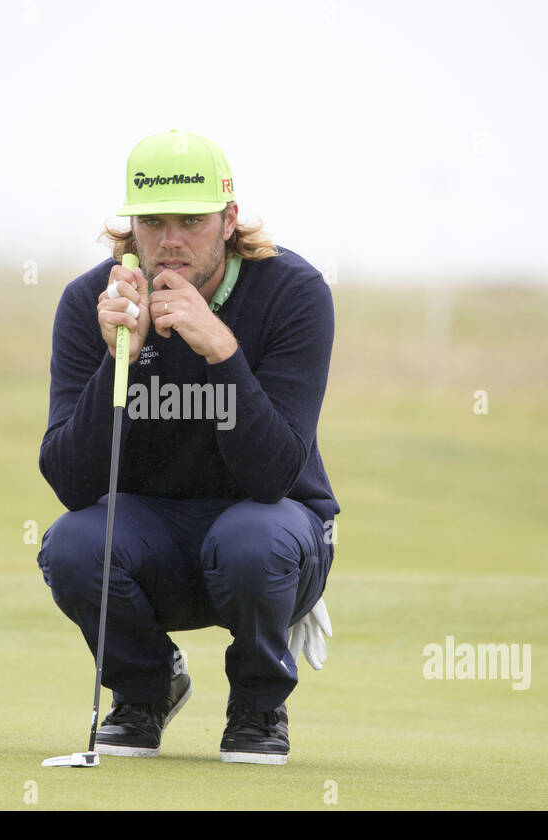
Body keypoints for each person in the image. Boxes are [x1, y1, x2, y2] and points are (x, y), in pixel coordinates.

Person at [36, 129, 339, 765]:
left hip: (275, 530)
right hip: (154, 541)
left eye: (192, 220)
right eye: (152, 222)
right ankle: (145, 689)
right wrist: (123, 356)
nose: (170, 240)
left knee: (253, 541)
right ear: (131, 228)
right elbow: (70, 481)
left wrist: (221, 349)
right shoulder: (90, 303)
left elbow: (275, 473)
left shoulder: (293, 293)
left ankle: (259, 706)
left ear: (229, 220)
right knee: (70, 543)